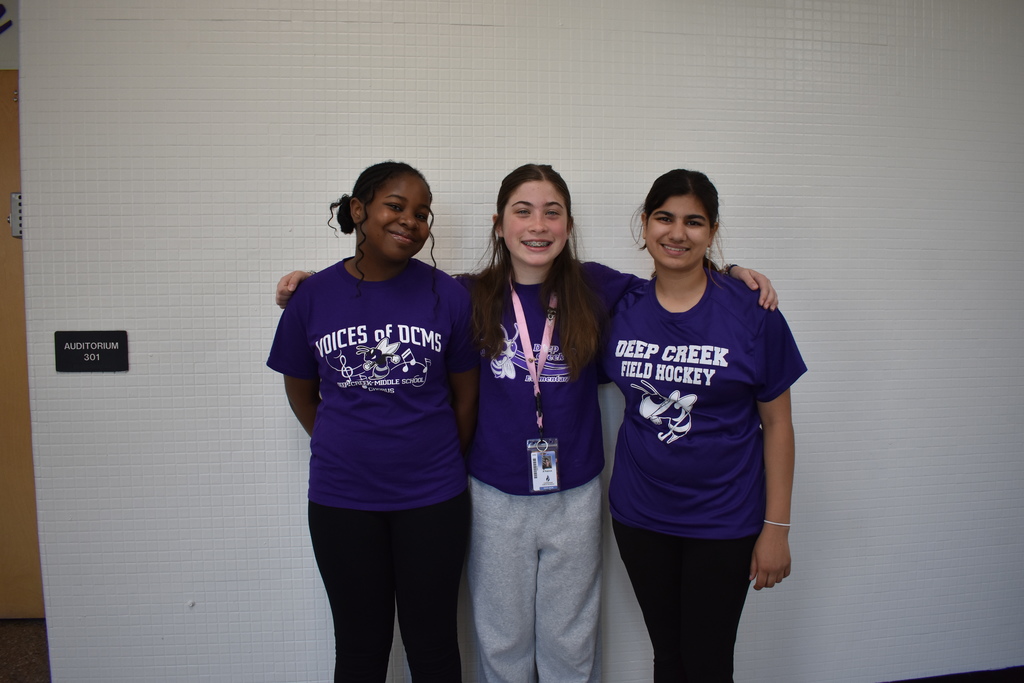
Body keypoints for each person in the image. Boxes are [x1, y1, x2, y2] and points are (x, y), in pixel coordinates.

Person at [274, 164, 777, 683]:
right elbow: (383, 287)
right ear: (499, 225)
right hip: (493, 492)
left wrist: (731, 272)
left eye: (552, 212)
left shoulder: (599, 287)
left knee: (570, 642)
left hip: (576, 491)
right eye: (523, 211)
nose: (538, 225)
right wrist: (313, 285)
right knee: (502, 642)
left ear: (568, 225)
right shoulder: (461, 294)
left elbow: (675, 278)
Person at [266, 161, 479, 683]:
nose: (411, 220)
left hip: (433, 498)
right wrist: (346, 444)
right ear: (359, 211)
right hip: (343, 501)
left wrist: (434, 459)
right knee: (361, 648)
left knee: (433, 646)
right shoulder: (312, 297)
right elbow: (301, 391)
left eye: (422, 213)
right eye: (396, 206)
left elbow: (466, 398)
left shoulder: (447, 295)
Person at [603, 168, 806, 682]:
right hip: (640, 515)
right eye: (664, 218)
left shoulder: (752, 311)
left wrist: (776, 528)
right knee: (667, 656)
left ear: (712, 231)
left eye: (694, 222)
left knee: (709, 660)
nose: (677, 233)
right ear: (644, 225)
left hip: (725, 519)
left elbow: (778, 425)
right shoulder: (619, 305)